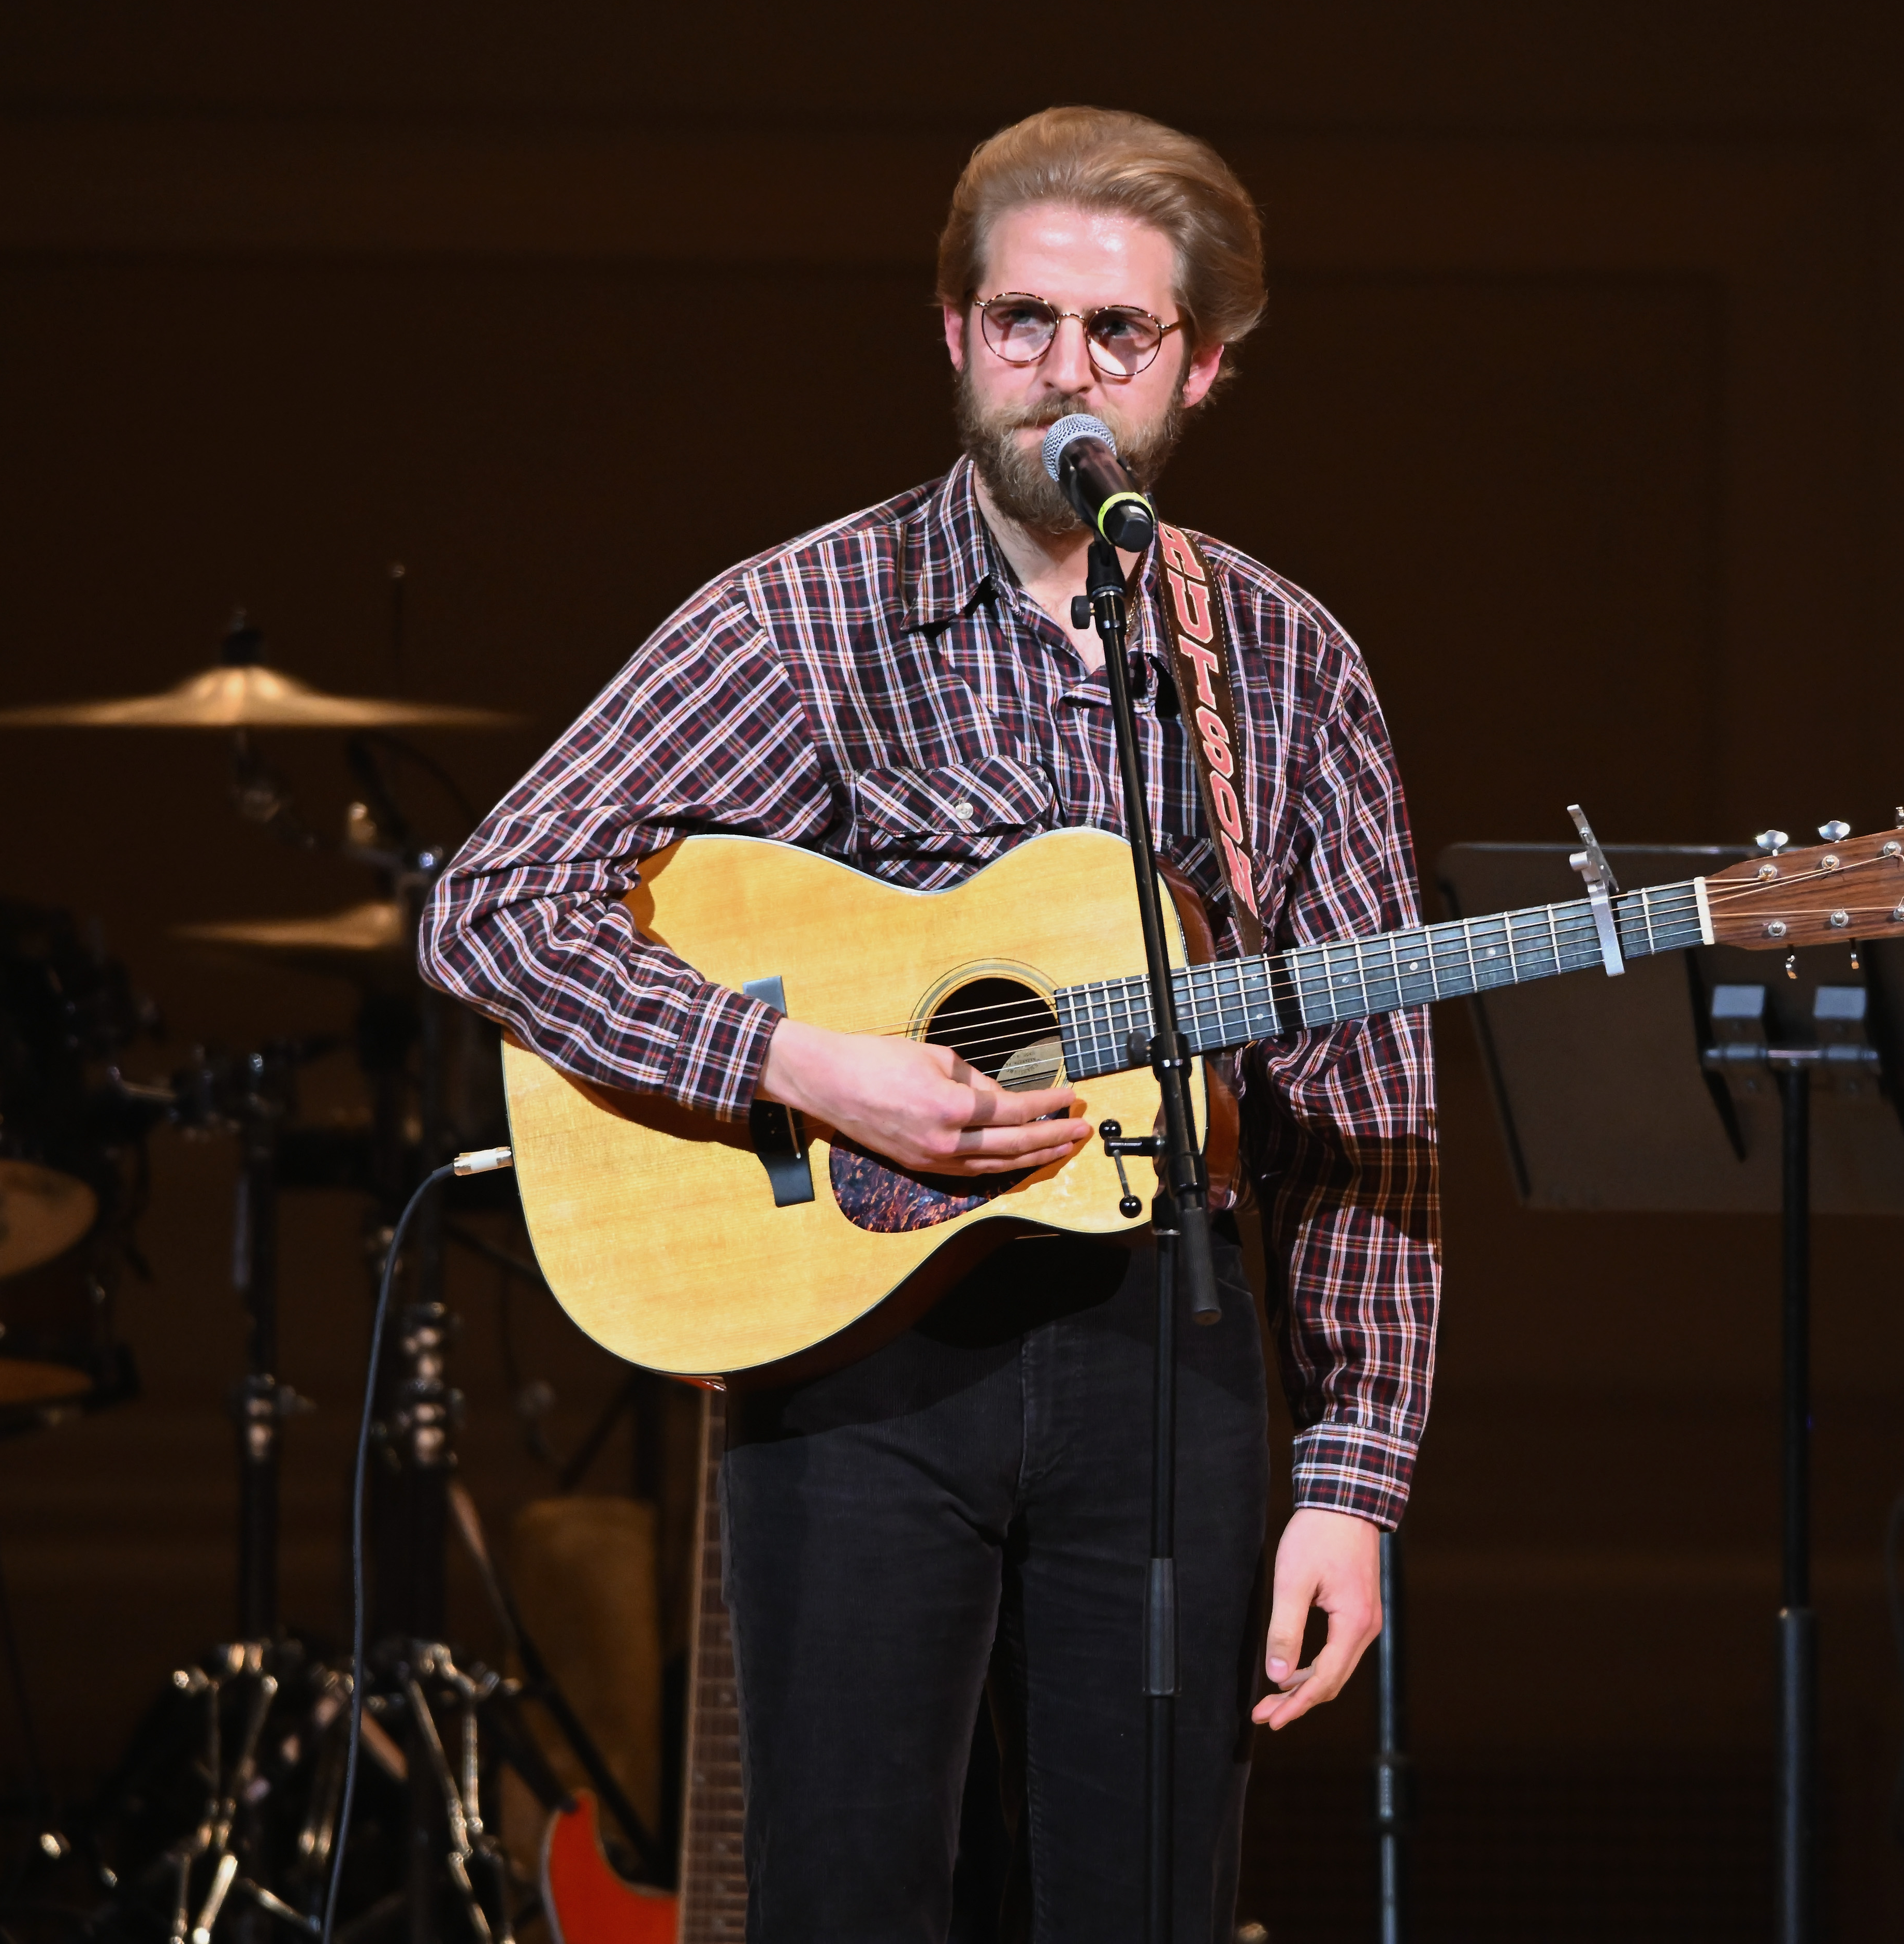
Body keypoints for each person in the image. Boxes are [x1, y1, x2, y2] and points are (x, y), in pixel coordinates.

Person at [419, 105, 1438, 1942]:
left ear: (1201, 366)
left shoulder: (1279, 667)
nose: (1066, 367)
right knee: (852, 1900)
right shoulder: (804, 621)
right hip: (860, 1365)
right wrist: (797, 1062)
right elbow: (495, 906)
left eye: (1118, 335)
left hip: (1167, 1352)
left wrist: (1351, 1484)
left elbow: (1362, 1106)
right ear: (953, 332)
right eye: (1024, 319)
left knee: (1143, 1907)